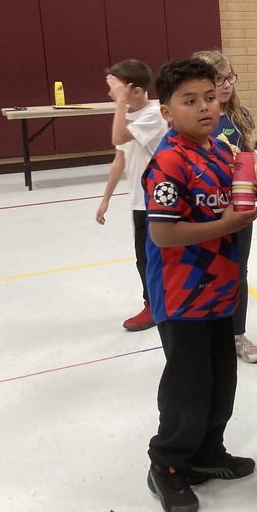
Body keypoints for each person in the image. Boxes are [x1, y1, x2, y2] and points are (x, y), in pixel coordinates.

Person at [143, 58, 257, 512]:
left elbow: (227, 201)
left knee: (220, 380)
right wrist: (226, 224)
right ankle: (168, 464)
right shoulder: (168, 161)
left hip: (220, 290)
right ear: (167, 111)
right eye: (190, 101)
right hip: (183, 294)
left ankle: (208, 451)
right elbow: (163, 233)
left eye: (210, 98)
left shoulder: (220, 150)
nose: (205, 108)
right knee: (188, 386)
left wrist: (251, 190)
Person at [193, 49, 257, 364]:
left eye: (229, 77)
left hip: (238, 207)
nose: (226, 85)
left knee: (237, 270)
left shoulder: (240, 115)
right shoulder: (196, 120)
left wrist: (255, 174)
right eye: (218, 79)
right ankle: (206, 333)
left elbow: (249, 153)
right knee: (206, 269)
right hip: (207, 208)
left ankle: (237, 334)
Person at [95, 59, 167, 332]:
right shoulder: (127, 115)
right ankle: (154, 302)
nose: (111, 94)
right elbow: (119, 158)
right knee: (143, 257)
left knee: (154, 257)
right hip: (139, 201)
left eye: (116, 89)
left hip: (156, 199)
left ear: (136, 90)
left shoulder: (154, 114)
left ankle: (155, 306)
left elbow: (117, 137)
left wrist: (120, 103)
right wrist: (106, 198)